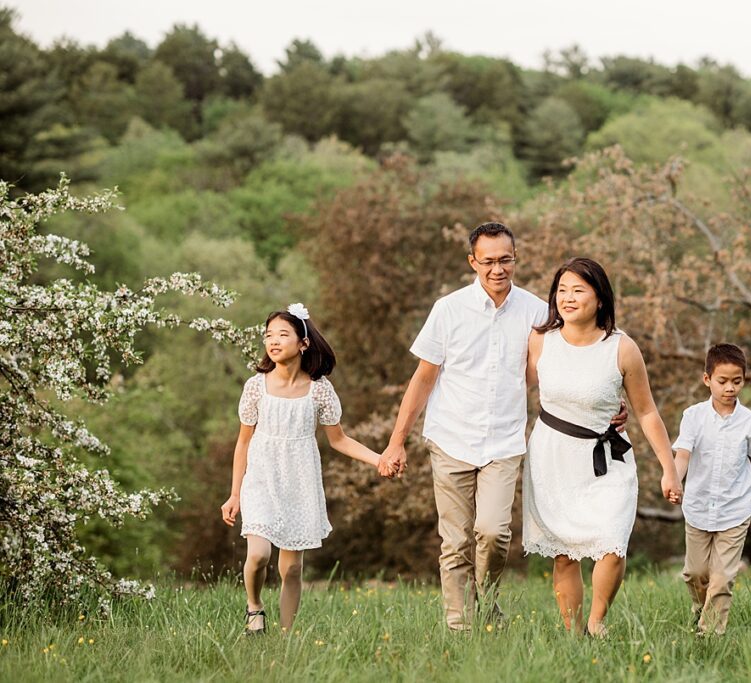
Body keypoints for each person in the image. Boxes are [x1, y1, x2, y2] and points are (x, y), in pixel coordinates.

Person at [378, 223, 624, 631]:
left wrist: (607, 405)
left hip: (505, 441)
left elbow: (566, 365)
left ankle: (487, 604)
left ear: (516, 258)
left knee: (493, 534)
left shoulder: (537, 312)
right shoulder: (448, 309)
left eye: (505, 260)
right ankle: (459, 627)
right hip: (450, 438)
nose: (497, 269)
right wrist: (396, 441)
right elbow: (423, 378)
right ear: (472, 262)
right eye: (488, 261)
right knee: (455, 541)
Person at [522, 257, 680, 637]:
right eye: (561, 290)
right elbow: (513, 394)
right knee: (564, 554)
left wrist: (669, 468)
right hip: (552, 458)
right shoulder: (541, 340)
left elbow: (646, 413)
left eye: (578, 290)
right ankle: (574, 636)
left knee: (612, 542)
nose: (568, 298)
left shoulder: (622, 348)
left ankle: (597, 621)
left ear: (600, 298)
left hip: (609, 458)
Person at [220, 304, 385, 635]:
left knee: (292, 568)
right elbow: (243, 443)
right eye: (268, 336)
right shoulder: (256, 386)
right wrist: (234, 493)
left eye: (283, 335)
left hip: (299, 480)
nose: (273, 341)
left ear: (304, 343)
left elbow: (340, 440)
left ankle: (286, 636)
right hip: (262, 478)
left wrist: (378, 459)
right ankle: (254, 607)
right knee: (259, 555)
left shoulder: (319, 390)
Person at [673, 343, 751, 636]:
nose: (730, 388)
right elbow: (684, 454)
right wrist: (675, 480)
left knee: (722, 578)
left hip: (735, 509)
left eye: (736, 381)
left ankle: (709, 636)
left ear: (744, 380)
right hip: (698, 507)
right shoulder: (693, 416)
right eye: (722, 381)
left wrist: (735, 483)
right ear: (707, 379)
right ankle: (700, 608)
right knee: (696, 573)